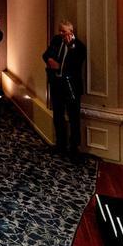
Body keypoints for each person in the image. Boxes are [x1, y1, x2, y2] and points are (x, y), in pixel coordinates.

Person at [43, 21, 86, 159]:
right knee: (58, 115)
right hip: (57, 84)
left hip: (71, 87)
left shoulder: (79, 47)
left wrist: (61, 63)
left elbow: (75, 64)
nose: (61, 34)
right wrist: (49, 60)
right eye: (60, 31)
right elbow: (45, 54)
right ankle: (60, 144)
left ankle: (74, 148)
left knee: (73, 117)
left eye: (64, 31)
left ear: (71, 31)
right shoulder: (56, 40)